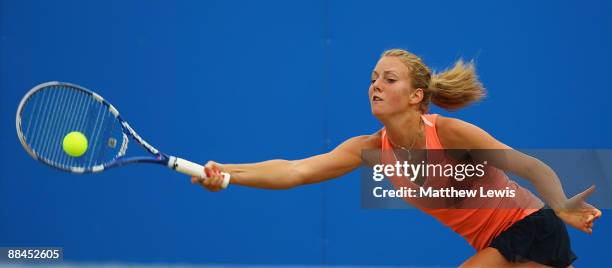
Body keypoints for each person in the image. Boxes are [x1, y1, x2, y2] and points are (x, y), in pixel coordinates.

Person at [192, 49, 602, 267]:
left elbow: (528, 165)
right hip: (498, 241)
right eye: (372, 79)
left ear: (416, 96)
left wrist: (563, 204)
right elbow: (296, 170)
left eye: (389, 79)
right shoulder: (370, 149)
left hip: (530, 228)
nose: (375, 85)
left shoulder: (450, 133)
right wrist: (226, 172)